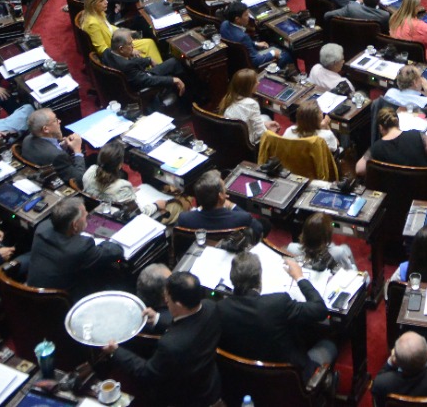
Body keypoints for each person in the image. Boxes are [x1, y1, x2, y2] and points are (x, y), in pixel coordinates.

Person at [103, 270, 221, 407]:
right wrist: (157, 319)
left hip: (186, 397)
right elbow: (189, 323)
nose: (165, 300)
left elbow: (147, 373)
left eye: (168, 298)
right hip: (209, 383)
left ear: (179, 305)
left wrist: (116, 351)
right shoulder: (211, 307)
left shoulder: (170, 345)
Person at [216, 250, 334, 378]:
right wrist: (300, 277)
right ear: (259, 278)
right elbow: (320, 309)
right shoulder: (278, 303)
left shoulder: (220, 308)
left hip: (245, 378)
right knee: (329, 345)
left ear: (232, 278)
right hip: (290, 380)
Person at [27, 197, 123, 302]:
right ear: (75, 225)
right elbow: (116, 251)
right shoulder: (80, 248)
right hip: (60, 303)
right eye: (85, 215)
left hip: (31, 293)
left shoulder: (42, 227)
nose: (87, 214)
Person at [357, 105, 427, 175]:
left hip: (392, 193)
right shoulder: (415, 135)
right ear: (397, 122)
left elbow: (359, 169)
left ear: (380, 128)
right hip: (421, 191)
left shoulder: (376, 148)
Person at [172, 170, 261, 233]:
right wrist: (231, 205)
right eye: (223, 187)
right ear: (221, 196)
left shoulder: (184, 219)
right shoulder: (242, 218)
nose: (225, 189)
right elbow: (258, 228)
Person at [218, 67, 276, 145]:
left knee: (265, 118)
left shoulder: (229, 98)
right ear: (248, 86)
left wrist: (264, 124)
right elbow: (261, 133)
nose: (258, 83)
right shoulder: (251, 104)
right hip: (248, 144)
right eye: (255, 82)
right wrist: (272, 133)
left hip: (234, 140)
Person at [21, 107, 86, 176]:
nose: (59, 121)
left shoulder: (27, 139)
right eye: (55, 120)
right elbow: (79, 179)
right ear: (46, 129)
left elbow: (47, 149)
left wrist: (62, 146)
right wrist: (77, 150)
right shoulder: (58, 156)